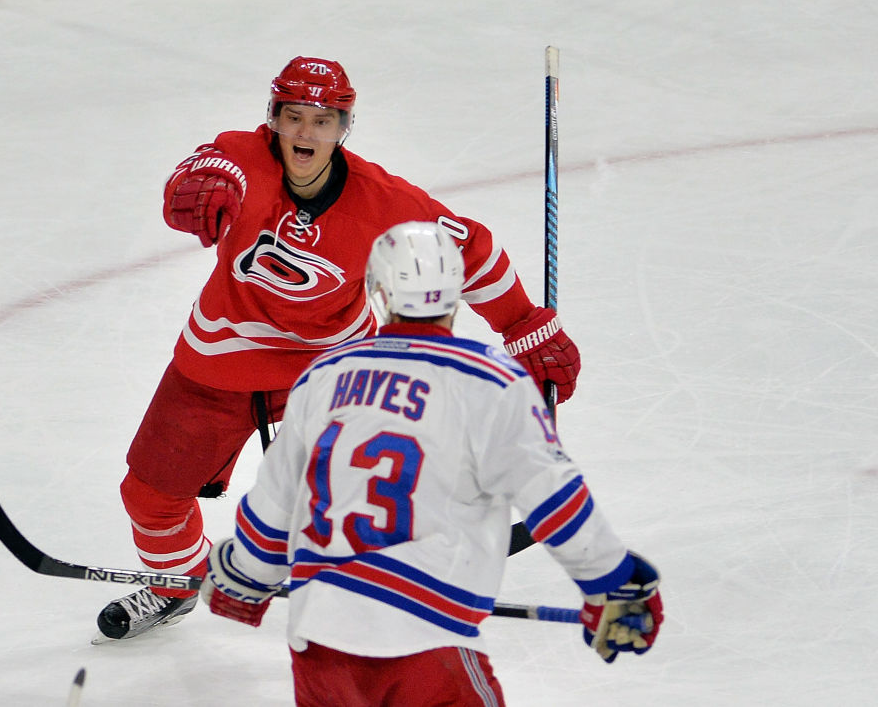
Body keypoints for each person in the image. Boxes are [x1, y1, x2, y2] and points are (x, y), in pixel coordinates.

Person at [97, 57, 582, 640]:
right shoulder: (243, 161)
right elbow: (204, 166)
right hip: (220, 360)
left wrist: (526, 325)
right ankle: (176, 582)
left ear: (344, 127)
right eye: (294, 116)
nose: (306, 132)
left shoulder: (384, 201)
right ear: (272, 118)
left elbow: (466, 253)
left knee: (366, 494)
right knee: (149, 497)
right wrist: (195, 185)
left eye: (323, 120)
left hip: (333, 371)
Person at [199, 221, 663, 706]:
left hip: (320, 639)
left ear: (378, 293)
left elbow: (275, 503)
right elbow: (554, 498)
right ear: (456, 294)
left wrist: (244, 575)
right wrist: (613, 582)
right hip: (425, 634)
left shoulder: (325, 376)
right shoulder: (487, 381)